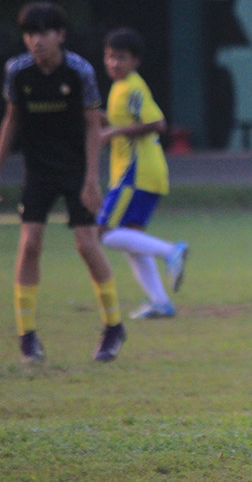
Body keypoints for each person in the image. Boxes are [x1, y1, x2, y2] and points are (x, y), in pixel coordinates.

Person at [0, 1, 126, 362]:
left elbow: (92, 126)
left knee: (87, 245)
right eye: (29, 33)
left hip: (74, 168)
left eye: (43, 33)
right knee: (30, 244)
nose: (36, 41)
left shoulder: (79, 71)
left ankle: (114, 326)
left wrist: (91, 179)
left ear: (60, 35)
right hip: (38, 170)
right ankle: (26, 334)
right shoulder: (17, 72)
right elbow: (11, 120)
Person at [98, 28, 188, 319]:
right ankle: (160, 301)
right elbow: (120, 121)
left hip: (136, 172)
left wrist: (115, 130)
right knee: (131, 239)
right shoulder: (119, 87)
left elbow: (158, 123)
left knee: (104, 232)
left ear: (135, 61)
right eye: (110, 57)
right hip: (141, 172)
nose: (113, 63)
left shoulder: (132, 88)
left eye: (120, 58)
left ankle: (170, 251)